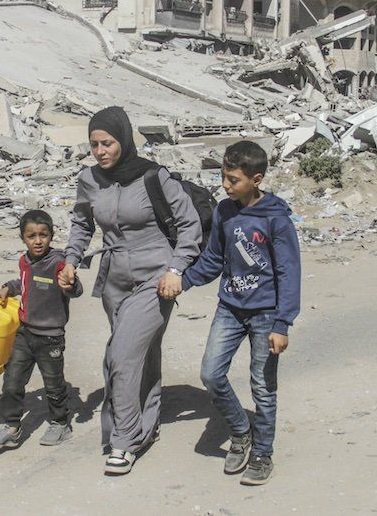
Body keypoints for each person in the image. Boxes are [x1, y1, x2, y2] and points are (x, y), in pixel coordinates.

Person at [58, 106, 201, 476]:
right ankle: (145, 425)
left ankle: (123, 441)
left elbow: (189, 226)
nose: (100, 151)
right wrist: (71, 259)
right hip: (113, 278)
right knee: (141, 354)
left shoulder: (155, 176)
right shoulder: (89, 179)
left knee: (121, 356)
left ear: (124, 140)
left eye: (108, 143)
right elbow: (80, 222)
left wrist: (175, 269)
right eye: (94, 144)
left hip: (155, 278)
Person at [169, 141, 301, 486]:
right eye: (223, 177)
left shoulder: (276, 218)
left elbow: (288, 271)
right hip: (230, 307)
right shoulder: (225, 212)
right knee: (211, 374)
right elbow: (214, 258)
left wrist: (282, 323)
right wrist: (183, 281)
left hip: (266, 314)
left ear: (256, 179)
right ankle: (242, 431)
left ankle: (262, 453)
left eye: (233, 179)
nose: (225, 186)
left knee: (263, 387)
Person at [0, 209, 83, 449]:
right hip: (24, 333)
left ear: (51, 235)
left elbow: (75, 289)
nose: (38, 241)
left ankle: (60, 424)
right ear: (23, 238)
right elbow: (25, 283)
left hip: (50, 338)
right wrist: (9, 287)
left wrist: (70, 284)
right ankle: (12, 426)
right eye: (31, 236)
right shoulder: (24, 261)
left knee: (53, 385)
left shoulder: (58, 263)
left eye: (43, 235)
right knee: (12, 381)